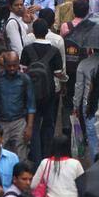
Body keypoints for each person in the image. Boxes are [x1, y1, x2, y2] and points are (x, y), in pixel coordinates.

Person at [21, 19, 65, 164]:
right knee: (48, 123)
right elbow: (58, 73)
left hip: (30, 92)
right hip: (49, 93)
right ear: (47, 31)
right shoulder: (54, 51)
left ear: (33, 32)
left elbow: (23, 70)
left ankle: (36, 157)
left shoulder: (27, 49)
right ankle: (46, 156)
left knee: (33, 124)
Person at [0, 51, 35, 160]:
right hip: (0, 121)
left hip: (18, 122)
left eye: (14, 65)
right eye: (9, 66)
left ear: (18, 64)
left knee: (20, 156)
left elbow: (31, 105)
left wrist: (29, 127)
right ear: (4, 64)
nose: (12, 68)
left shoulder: (25, 79)